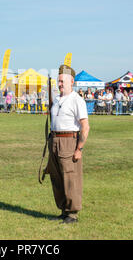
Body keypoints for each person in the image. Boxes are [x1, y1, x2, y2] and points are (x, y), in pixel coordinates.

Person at [46, 64, 90, 224]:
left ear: (71, 81)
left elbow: (85, 126)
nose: (59, 84)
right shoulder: (57, 100)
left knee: (70, 177)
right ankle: (64, 210)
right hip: (55, 140)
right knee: (56, 177)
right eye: (58, 81)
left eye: (62, 81)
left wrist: (79, 148)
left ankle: (72, 213)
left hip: (69, 141)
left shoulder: (77, 100)